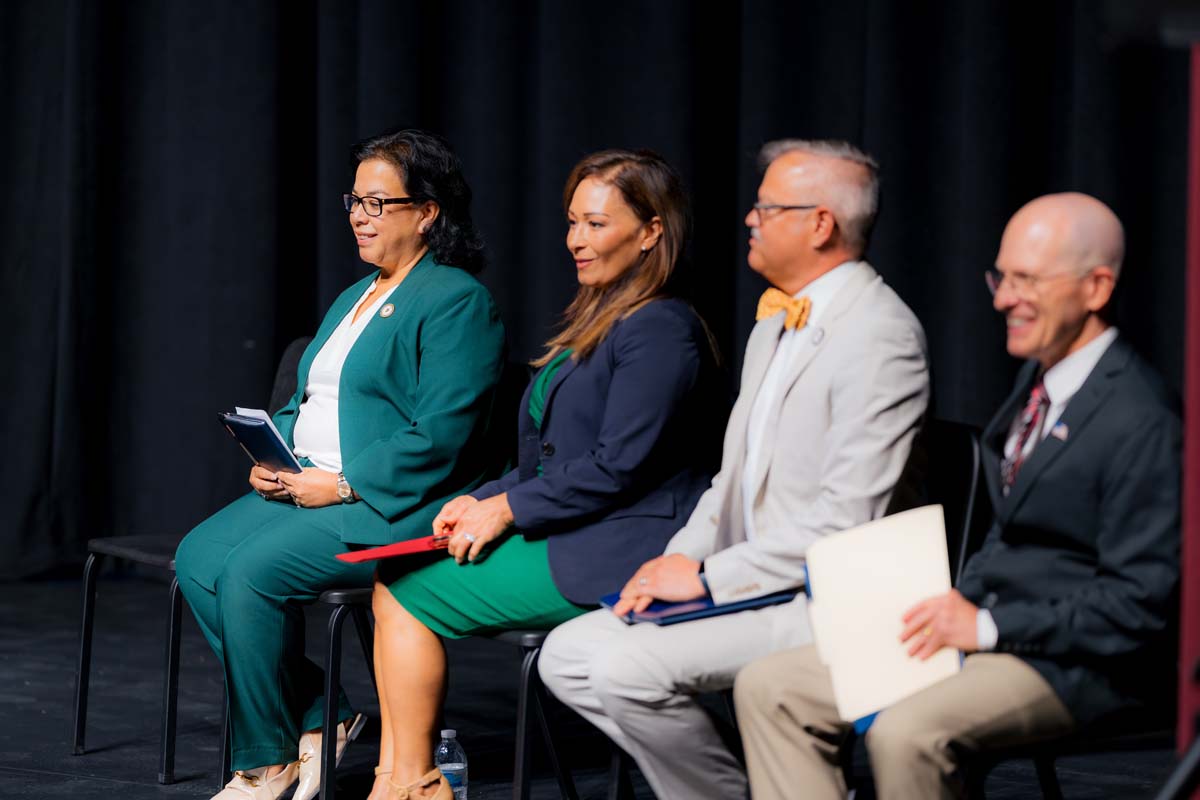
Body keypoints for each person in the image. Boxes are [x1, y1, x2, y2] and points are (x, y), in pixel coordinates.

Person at [735, 192, 1181, 800]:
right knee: (771, 687)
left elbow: (1137, 606)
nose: (1002, 299)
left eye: (1027, 280)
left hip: (1076, 664)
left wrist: (988, 626)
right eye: (1002, 278)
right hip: (990, 628)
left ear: (1097, 287)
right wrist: (954, 606)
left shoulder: (1142, 418)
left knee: (907, 732)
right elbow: (1015, 529)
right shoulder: (1040, 382)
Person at [537, 139, 931, 799]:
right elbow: (731, 482)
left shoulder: (879, 335)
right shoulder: (773, 323)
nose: (750, 217)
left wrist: (706, 578)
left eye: (769, 208)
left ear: (821, 224)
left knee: (624, 670)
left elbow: (844, 525)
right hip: (754, 581)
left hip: (831, 596)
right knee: (568, 656)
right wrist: (678, 559)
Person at [367, 149, 722, 800]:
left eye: (596, 224)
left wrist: (504, 511)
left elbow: (617, 467)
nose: (576, 240)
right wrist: (481, 497)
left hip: (624, 546)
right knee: (396, 578)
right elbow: (549, 459)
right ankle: (399, 780)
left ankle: (412, 784)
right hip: (576, 524)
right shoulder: (602, 316)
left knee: (405, 591)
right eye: (572, 222)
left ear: (651, 231)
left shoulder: (661, 329)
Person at [174, 129, 506, 800]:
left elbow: (442, 433)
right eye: (355, 200)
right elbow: (307, 397)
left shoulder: (456, 300)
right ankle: (325, 714)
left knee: (250, 574)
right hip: (310, 481)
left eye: (378, 202)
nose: (359, 215)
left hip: (391, 501)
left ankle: (266, 764)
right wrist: (273, 454)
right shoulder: (354, 295)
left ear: (428, 212)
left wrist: (346, 483)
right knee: (198, 559)